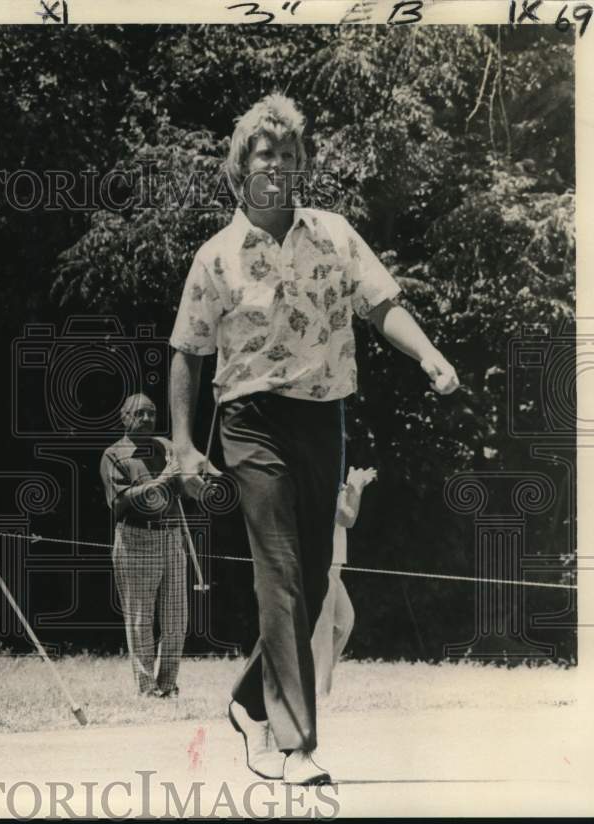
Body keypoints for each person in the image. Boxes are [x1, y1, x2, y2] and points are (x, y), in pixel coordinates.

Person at [168, 94, 459, 785]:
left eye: (290, 157)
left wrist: (429, 355)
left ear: (302, 169)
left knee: (317, 582)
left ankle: (247, 702)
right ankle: (296, 744)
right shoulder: (216, 257)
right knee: (283, 571)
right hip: (250, 422)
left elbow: (383, 304)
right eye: (266, 155)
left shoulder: (334, 233)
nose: (278, 166)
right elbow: (187, 350)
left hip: (322, 416)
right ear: (241, 169)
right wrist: (183, 444)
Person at [99, 393, 188, 698]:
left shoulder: (165, 447)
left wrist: (199, 481)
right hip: (136, 537)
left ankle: (168, 684)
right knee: (140, 620)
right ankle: (147, 688)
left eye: (151, 413)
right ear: (124, 417)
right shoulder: (114, 454)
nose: (148, 419)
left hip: (172, 536)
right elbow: (119, 504)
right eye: (140, 414)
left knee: (177, 617)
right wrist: (163, 479)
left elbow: (186, 485)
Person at [311, 466, 376, 697]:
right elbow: (346, 518)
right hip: (321, 562)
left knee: (344, 620)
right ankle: (318, 694)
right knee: (323, 630)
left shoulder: (330, 476)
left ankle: (312, 685)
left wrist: (349, 487)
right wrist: (356, 489)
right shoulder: (321, 476)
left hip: (333, 563)